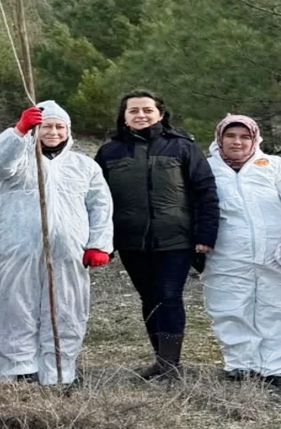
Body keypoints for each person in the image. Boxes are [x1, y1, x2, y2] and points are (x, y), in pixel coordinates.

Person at [0, 100, 114, 386]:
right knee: (17, 306)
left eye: (59, 126)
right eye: (45, 126)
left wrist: (100, 244)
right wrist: (17, 132)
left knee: (66, 308)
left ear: (68, 130)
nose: (53, 131)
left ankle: (59, 372)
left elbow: (100, 206)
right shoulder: (18, 161)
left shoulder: (83, 166)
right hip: (20, 249)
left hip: (69, 252)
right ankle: (19, 369)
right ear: (35, 129)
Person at [94, 90, 218, 379]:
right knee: (149, 298)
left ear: (160, 114)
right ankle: (160, 360)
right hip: (131, 240)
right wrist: (102, 241)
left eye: (147, 110)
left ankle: (170, 364)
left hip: (176, 239)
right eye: (133, 110)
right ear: (124, 117)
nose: (141, 115)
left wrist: (205, 235)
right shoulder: (110, 152)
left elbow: (205, 191)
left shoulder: (182, 146)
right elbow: (97, 199)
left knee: (168, 295)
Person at [201, 114, 281, 390]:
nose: (237, 142)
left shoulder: (274, 166)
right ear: (219, 138)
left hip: (276, 251)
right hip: (226, 252)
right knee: (230, 306)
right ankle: (240, 363)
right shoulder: (205, 168)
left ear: (255, 139)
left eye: (244, 136)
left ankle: (276, 367)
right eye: (230, 136)